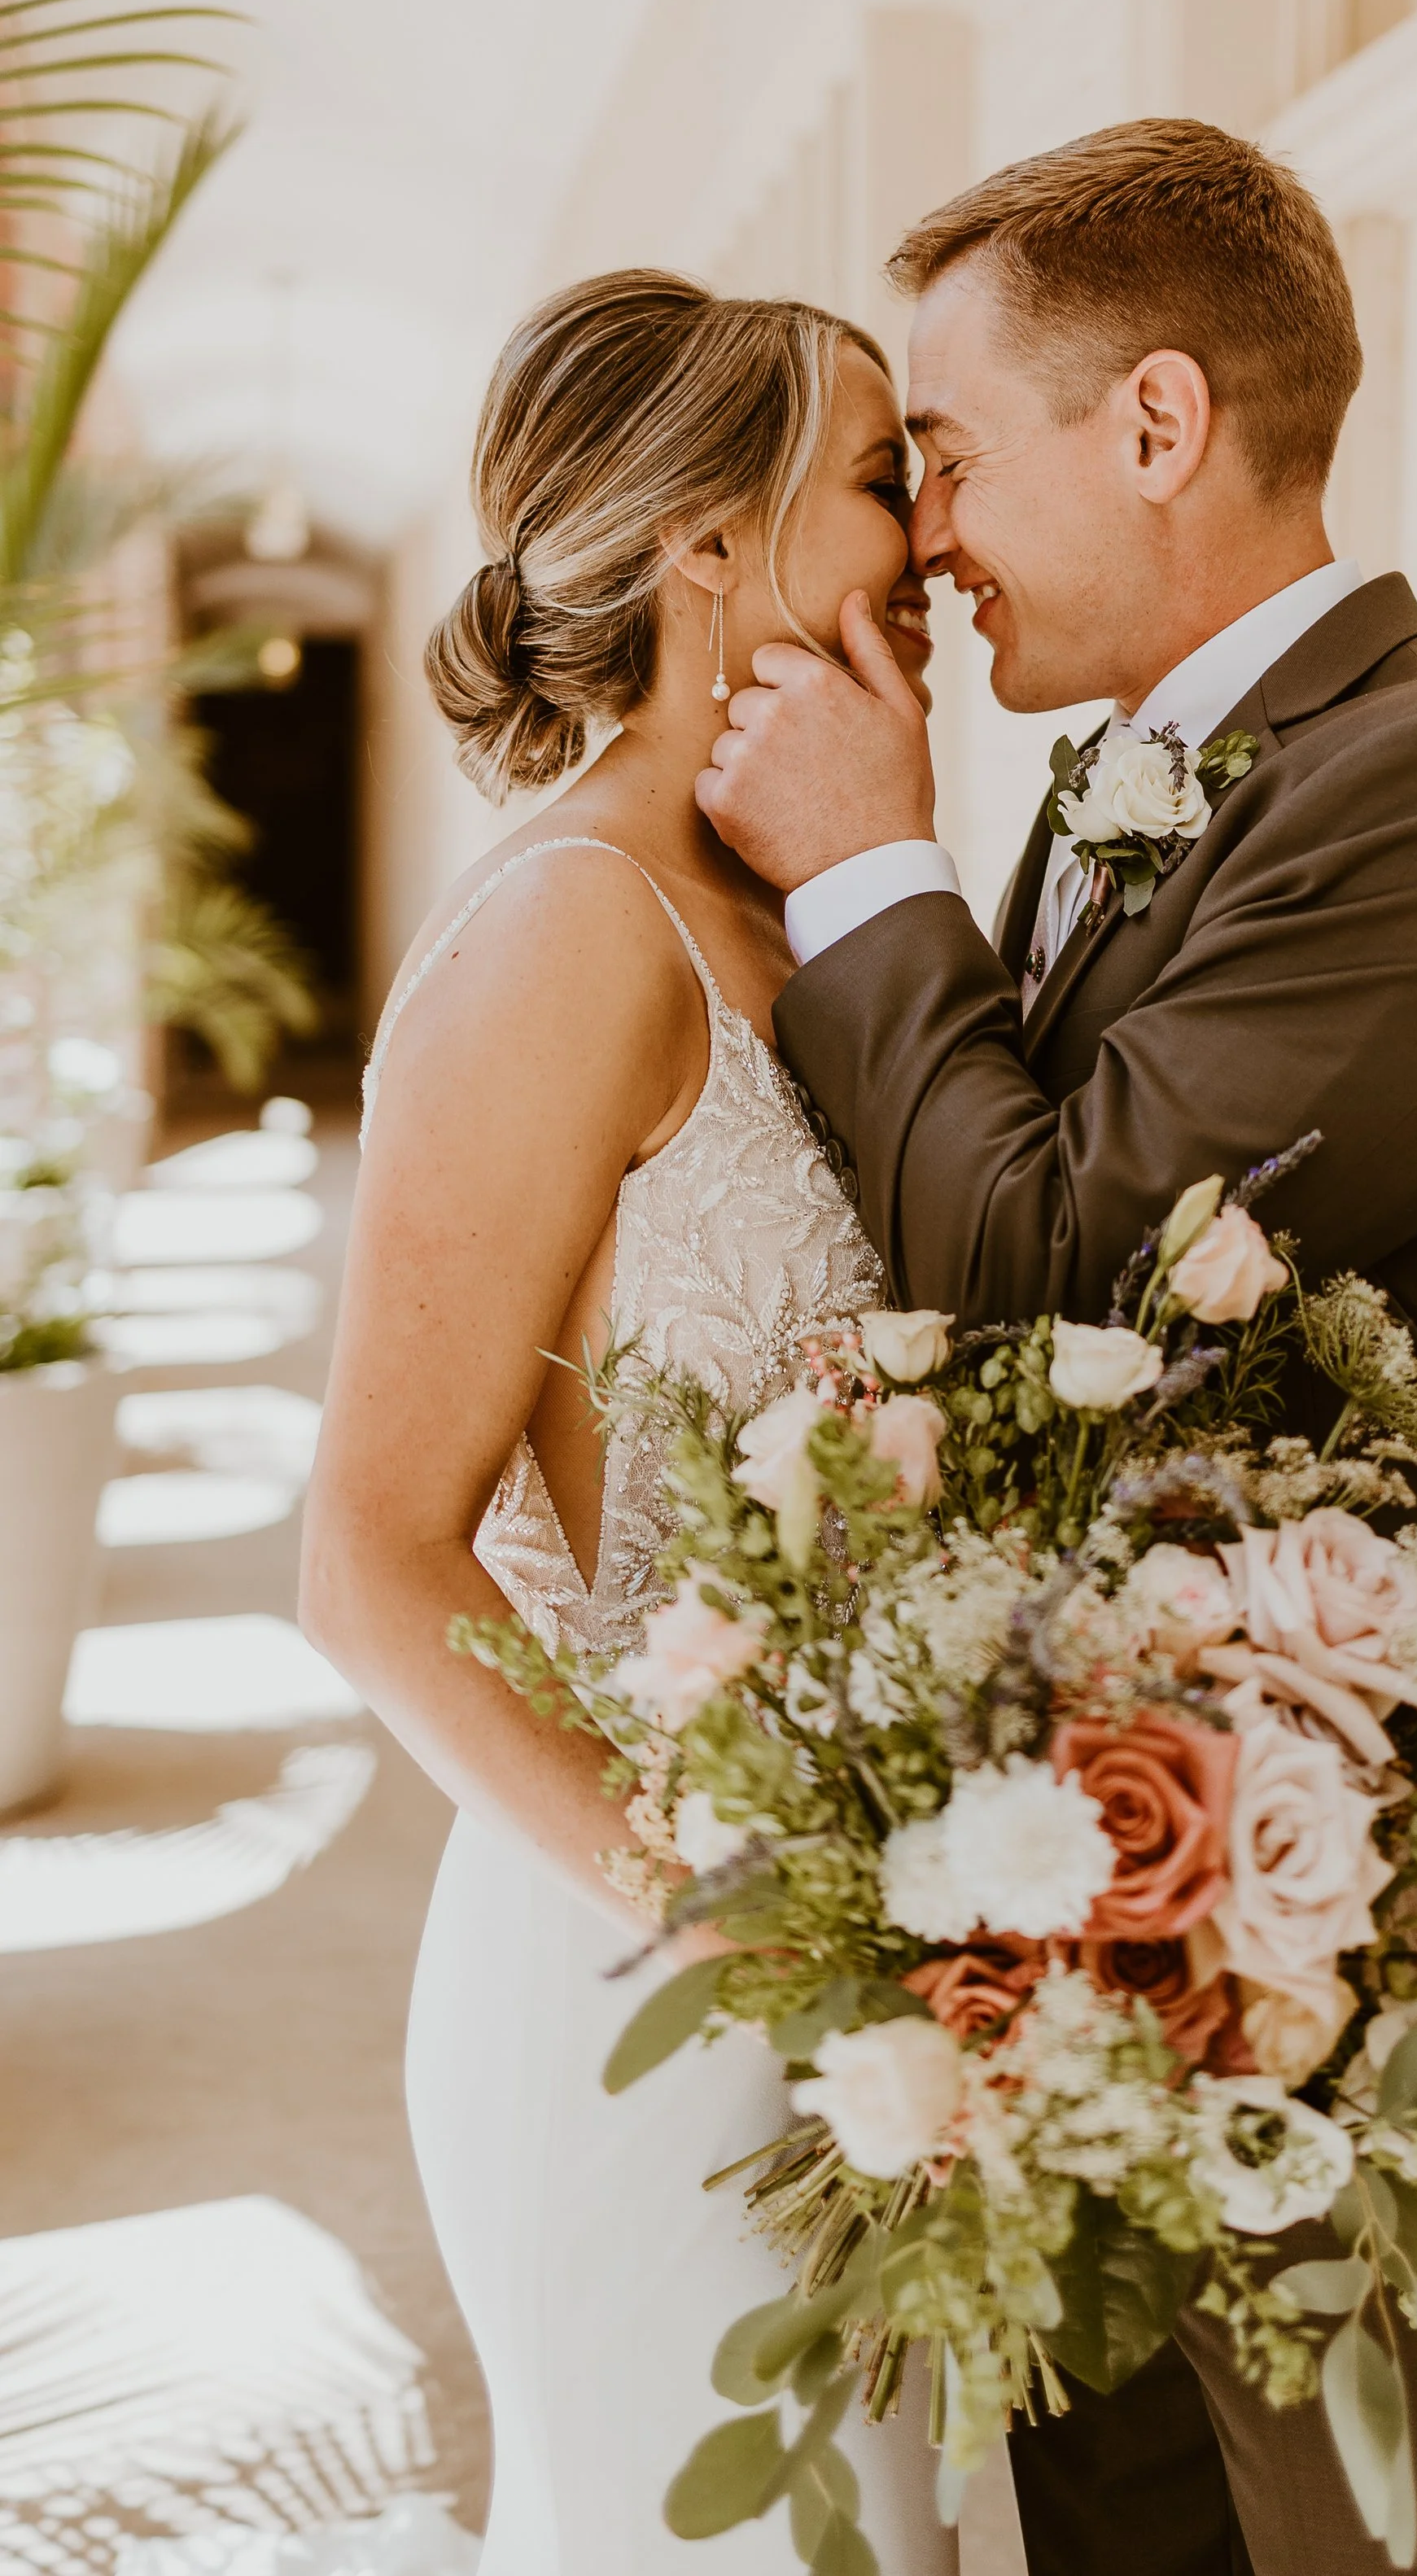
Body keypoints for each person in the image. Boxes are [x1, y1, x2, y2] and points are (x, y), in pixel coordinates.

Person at [695, 119, 1417, 2576]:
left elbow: (1052, 1275)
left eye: (943, 453)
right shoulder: (1113, 799)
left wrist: (859, 869)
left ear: (1150, 426)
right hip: (1101, 1915)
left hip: (1398, 1936)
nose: (922, 534)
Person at [300, 272, 955, 2576]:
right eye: (884, 477)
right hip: (650, 1980)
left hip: (870, 1975)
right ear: (709, 540)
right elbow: (370, 1549)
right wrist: (738, 1924)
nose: (933, 534)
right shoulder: (577, 925)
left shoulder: (796, 914)